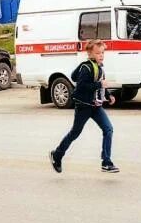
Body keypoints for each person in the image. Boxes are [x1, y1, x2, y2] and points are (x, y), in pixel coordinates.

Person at [49, 39, 119, 174]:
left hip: (96, 106)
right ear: (90, 54)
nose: (101, 55)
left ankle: (106, 162)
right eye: (98, 53)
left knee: (108, 129)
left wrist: (109, 95)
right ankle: (57, 155)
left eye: (102, 53)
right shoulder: (87, 67)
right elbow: (82, 86)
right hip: (84, 106)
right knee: (75, 133)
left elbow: (99, 84)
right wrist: (100, 85)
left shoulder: (99, 67)